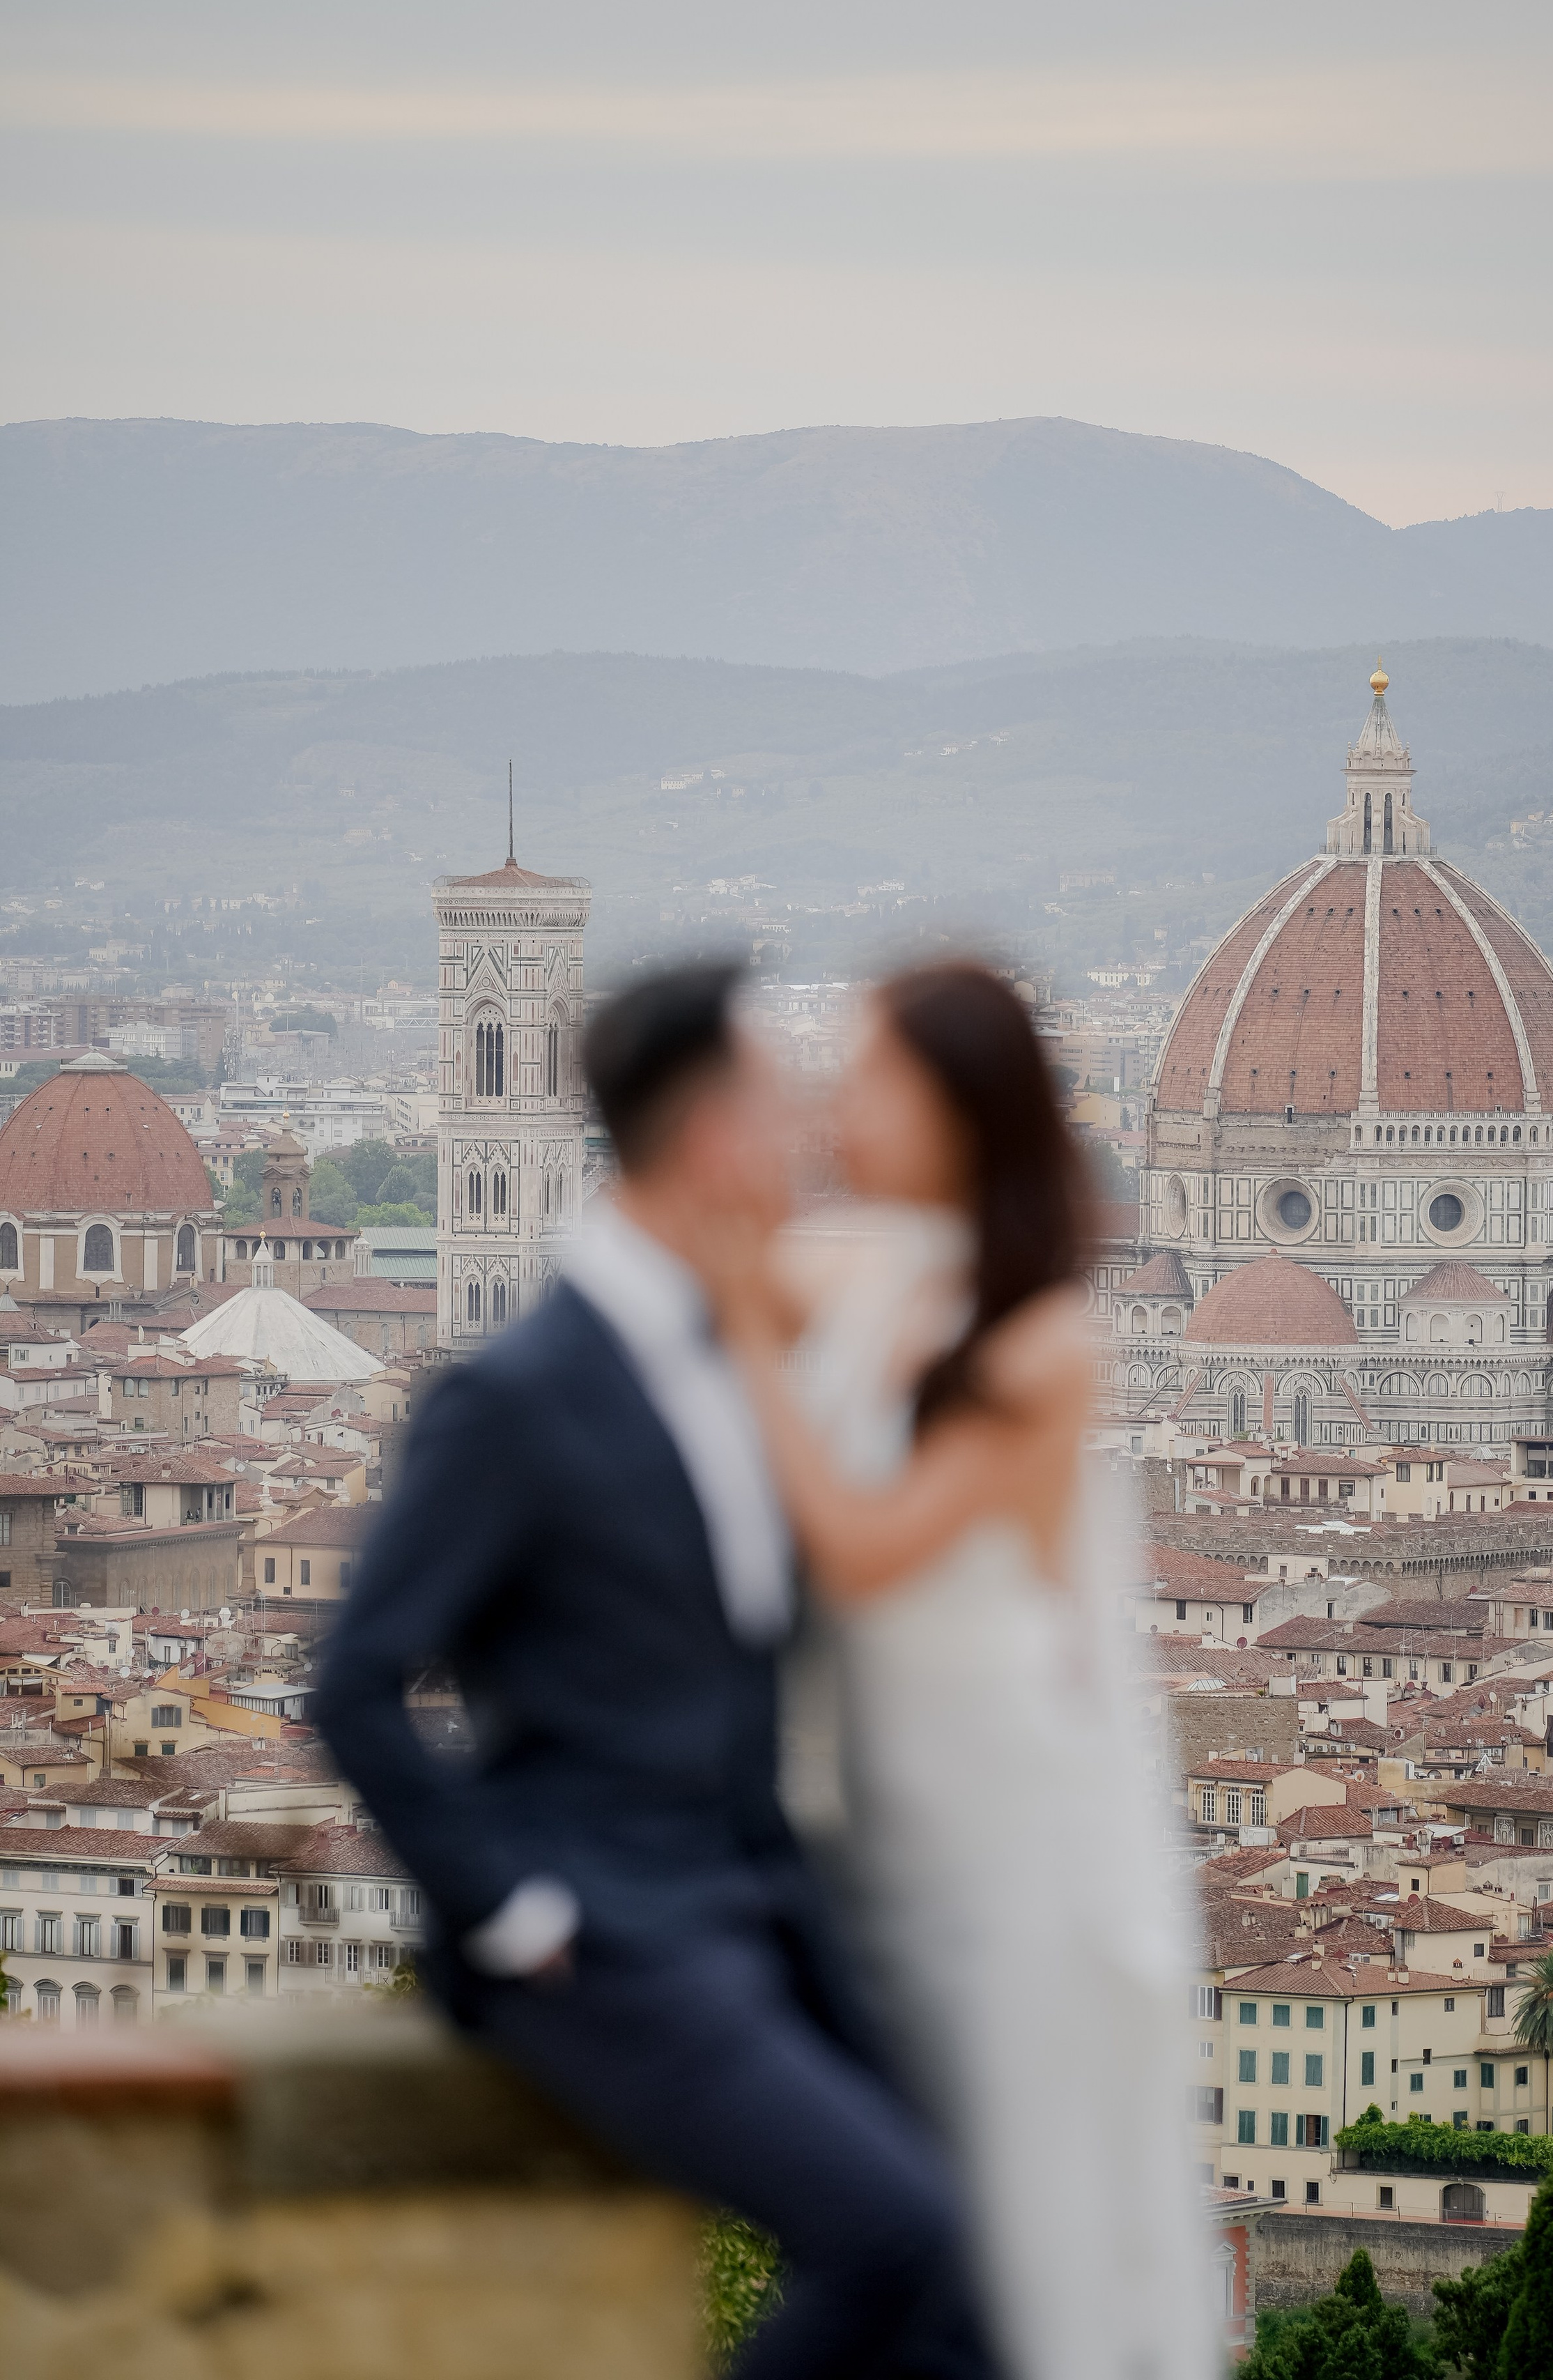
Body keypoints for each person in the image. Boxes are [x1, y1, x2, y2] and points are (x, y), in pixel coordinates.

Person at [314, 962, 1000, 2380]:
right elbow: (355, 1681)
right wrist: (508, 1913)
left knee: (969, 2307)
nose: (808, 1135)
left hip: (753, 1900)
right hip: (609, 1939)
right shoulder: (517, 1394)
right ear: (708, 1139)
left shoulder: (731, 1352)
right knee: (895, 2239)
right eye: (779, 1105)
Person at [714, 962, 1212, 2380]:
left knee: (1011, 2221)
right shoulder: (862, 1271)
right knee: (919, 2197)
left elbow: (867, 1551)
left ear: (955, 1106)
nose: (832, 1105)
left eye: (863, 1076)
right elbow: (711, 1268)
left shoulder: (1040, 1343)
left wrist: (752, 1345)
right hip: (879, 1802)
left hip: (1005, 1824)